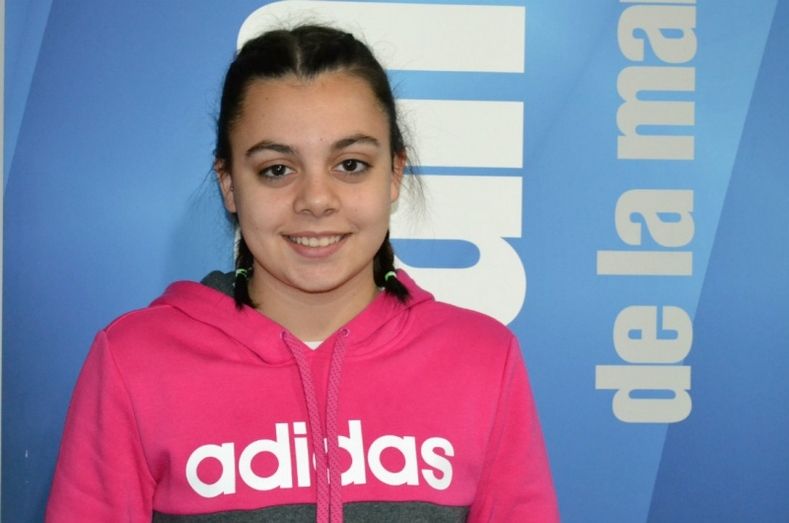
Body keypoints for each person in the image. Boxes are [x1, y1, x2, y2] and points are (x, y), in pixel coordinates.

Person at [46, 25, 559, 522]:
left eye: (351, 164)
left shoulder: (483, 360)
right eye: (277, 169)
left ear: (394, 174)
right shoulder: (134, 362)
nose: (316, 199)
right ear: (229, 185)